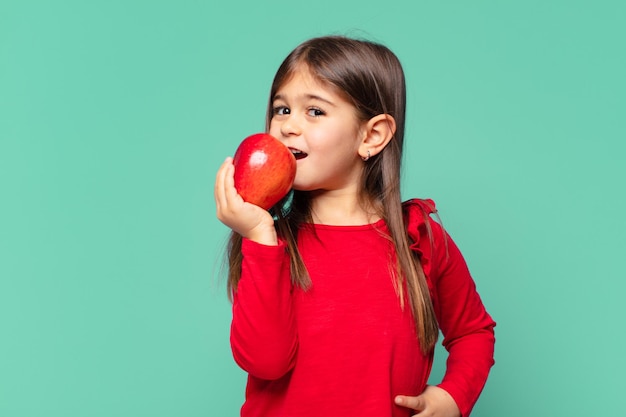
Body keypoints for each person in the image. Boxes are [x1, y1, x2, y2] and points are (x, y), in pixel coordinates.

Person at [214, 35, 496, 417]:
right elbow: (266, 361)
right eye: (281, 110)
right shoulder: (270, 241)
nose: (288, 126)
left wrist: (454, 396)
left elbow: (472, 332)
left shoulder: (419, 238)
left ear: (371, 136)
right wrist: (259, 238)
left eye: (314, 111)